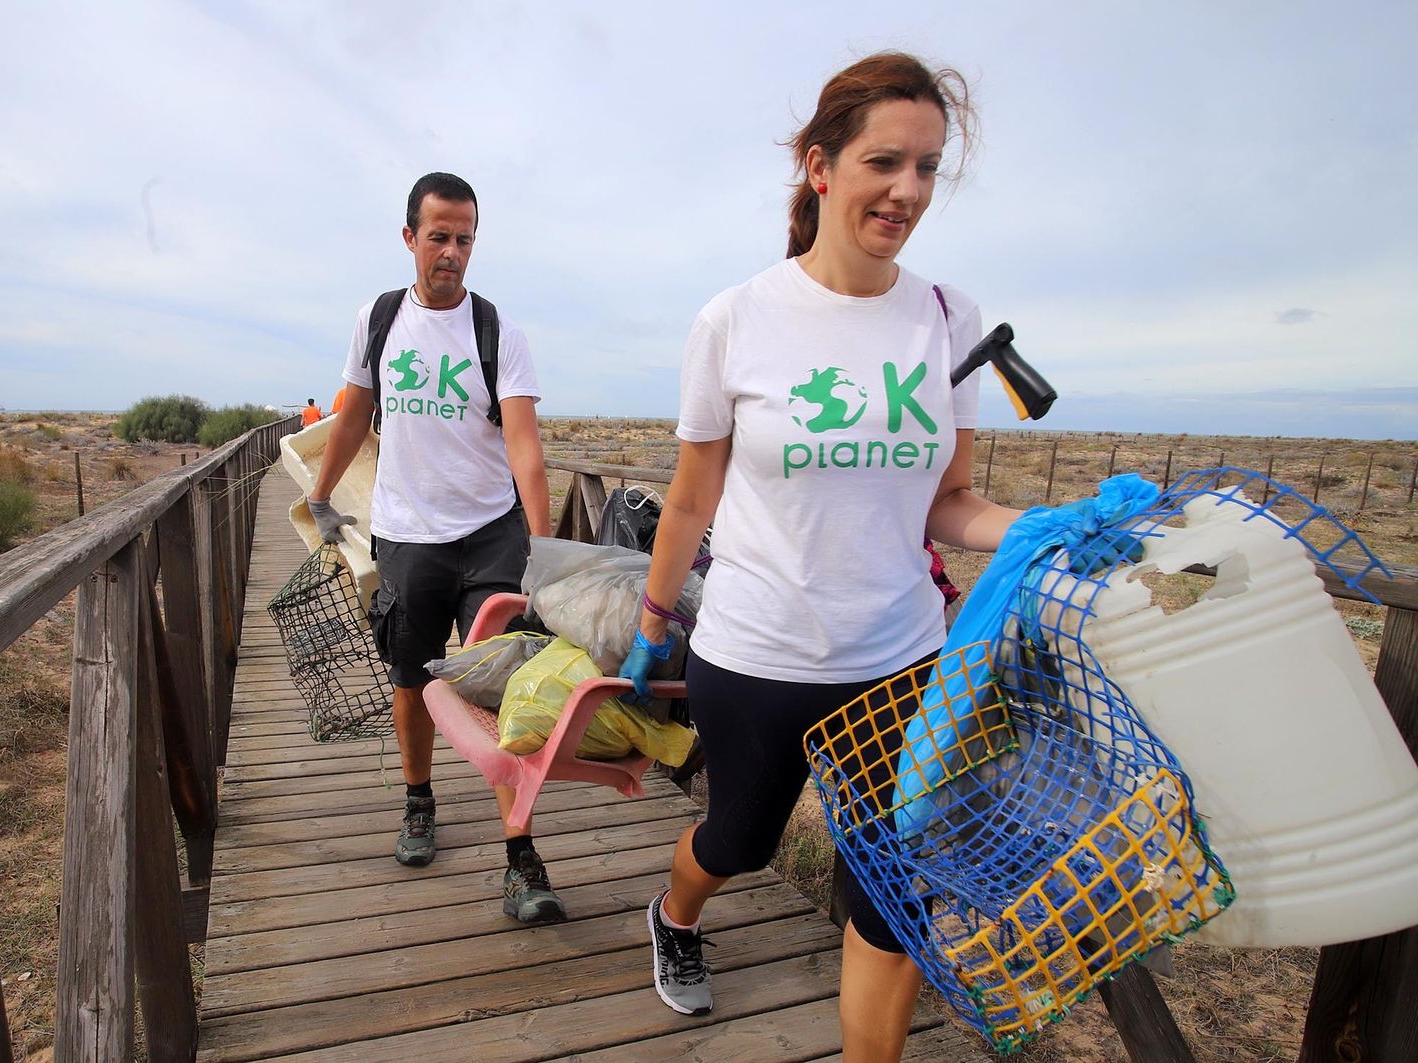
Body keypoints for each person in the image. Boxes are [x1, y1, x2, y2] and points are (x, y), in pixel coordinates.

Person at [621, 53, 1024, 1060]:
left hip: (896, 661)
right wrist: (650, 624)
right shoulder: (735, 318)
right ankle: (674, 915)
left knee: (892, 895)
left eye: (928, 168)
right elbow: (689, 496)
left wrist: (1046, 529)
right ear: (819, 167)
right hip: (756, 655)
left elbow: (951, 505)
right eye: (885, 162)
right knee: (740, 839)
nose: (908, 190)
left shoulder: (945, 319)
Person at [305, 172, 563, 923]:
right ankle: (419, 800)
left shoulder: (497, 331)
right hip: (408, 536)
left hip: (490, 536)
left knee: (500, 686)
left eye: (464, 239)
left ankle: (521, 853)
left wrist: (541, 551)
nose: (451, 253)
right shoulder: (378, 320)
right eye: (439, 236)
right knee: (411, 675)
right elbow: (353, 416)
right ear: (410, 236)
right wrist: (321, 496)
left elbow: (526, 448)